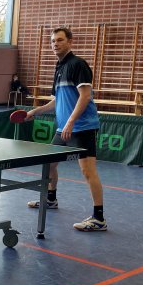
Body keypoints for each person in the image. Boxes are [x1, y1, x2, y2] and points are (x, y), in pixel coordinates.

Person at [24, 27, 107, 231]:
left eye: (60, 40)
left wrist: (70, 122)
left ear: (70, 42)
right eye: (53, 41)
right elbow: (56, 102)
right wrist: (35, 111)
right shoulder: (59, 68)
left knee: (87, 171)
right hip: (64, 128)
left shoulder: (77, 64)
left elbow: (85, 96)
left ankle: (99, 218)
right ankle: (50, 199)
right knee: (49, 164)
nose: (55, 44)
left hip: (82, 127)